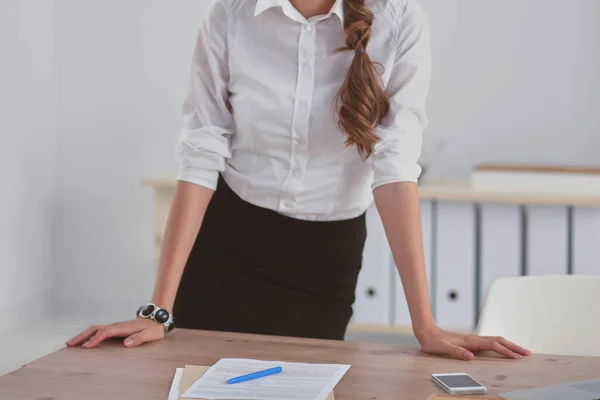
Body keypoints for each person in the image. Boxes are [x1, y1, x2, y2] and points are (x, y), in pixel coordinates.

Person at [68, 0, 530, 361]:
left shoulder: (401, 19)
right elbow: (201, 154)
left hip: (323, 260)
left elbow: (395, 166)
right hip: (226, 245)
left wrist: (425, 325)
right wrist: (159, 312)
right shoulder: (229, 16)